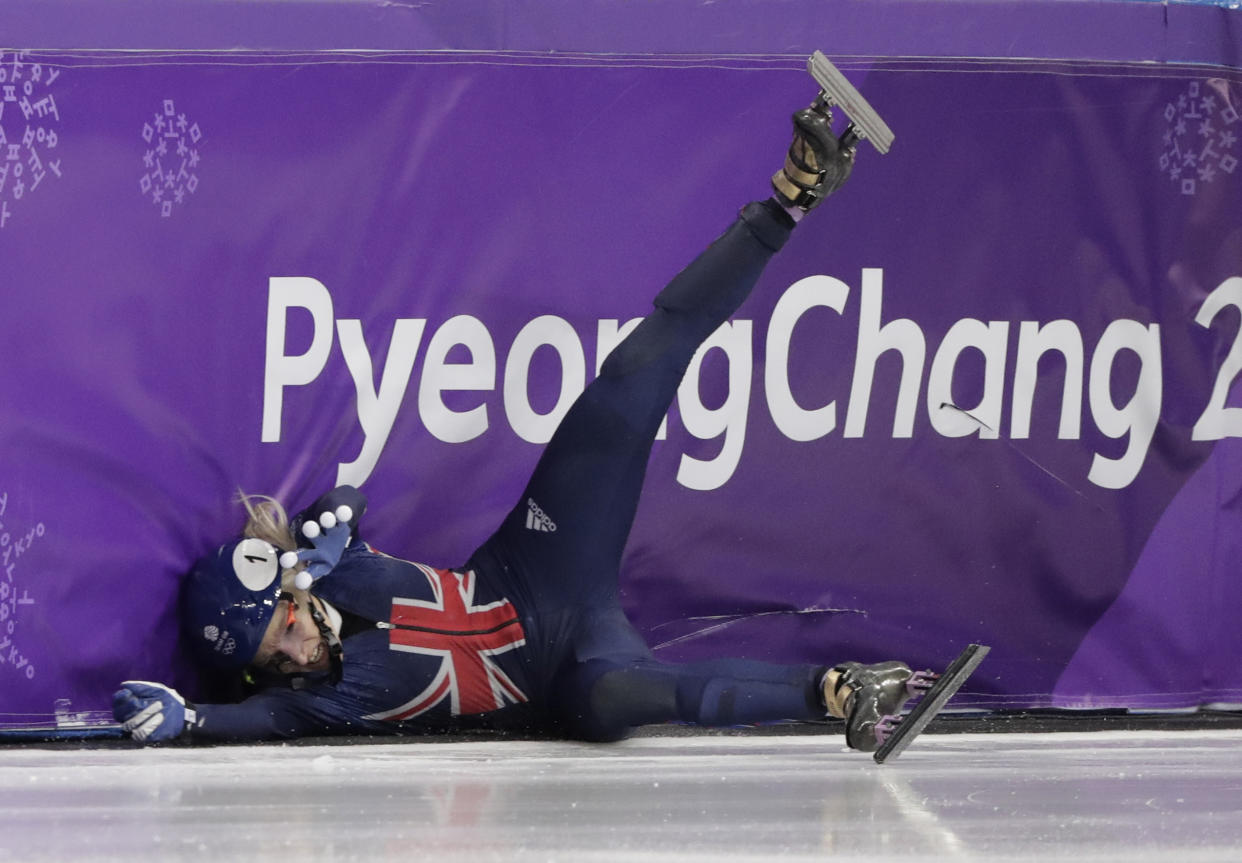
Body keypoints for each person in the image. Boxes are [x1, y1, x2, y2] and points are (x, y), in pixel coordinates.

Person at [113, 86, 931, 752]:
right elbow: (249, 720)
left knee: (627, 381)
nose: (297, 655)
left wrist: (332, 518)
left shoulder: (328, 569)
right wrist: (193, 719)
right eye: (274, 662)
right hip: (557, 675)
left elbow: (346, 509)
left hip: (532, 569)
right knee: (627, 699)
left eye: (283, 629)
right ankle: (839, 690)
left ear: (289, 586)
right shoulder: (312, 704)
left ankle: (787, 200)